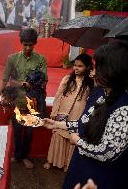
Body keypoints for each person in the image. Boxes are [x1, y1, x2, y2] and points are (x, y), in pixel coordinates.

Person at [41, 41, 128, 189]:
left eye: (99, 66)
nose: (95, 70)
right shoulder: (103, 95)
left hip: (100, 177)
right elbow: (85, 123)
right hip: (82, 168)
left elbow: (108, 153)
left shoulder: (124, 108)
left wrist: (79, 142)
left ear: (113, 70)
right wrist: (56, 124)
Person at [0, 28, 47, 168]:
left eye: (30, 44)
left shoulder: (41, 59)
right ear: (21, 43)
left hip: (33, 102)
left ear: (35, 43)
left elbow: (44, 80)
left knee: (29, 132)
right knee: (18, 131)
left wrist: (38, 88)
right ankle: (17, 156)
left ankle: (25, 156)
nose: (28, 47)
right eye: (25, 44)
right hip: (17, 100)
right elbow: (6, 79)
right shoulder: (12, 59)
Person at [43, 53, 94, 172]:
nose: (76, 68)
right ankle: (51, 161)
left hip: (78, 115)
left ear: (87, 67)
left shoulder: (91, 83)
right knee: (58, 135)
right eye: (75, 65)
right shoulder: (67, 79)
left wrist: (95, 79)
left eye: (80, 66)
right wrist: (54, 112)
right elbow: (58, 96)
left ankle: (67, 164)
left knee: (72, 138)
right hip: (63, 112)